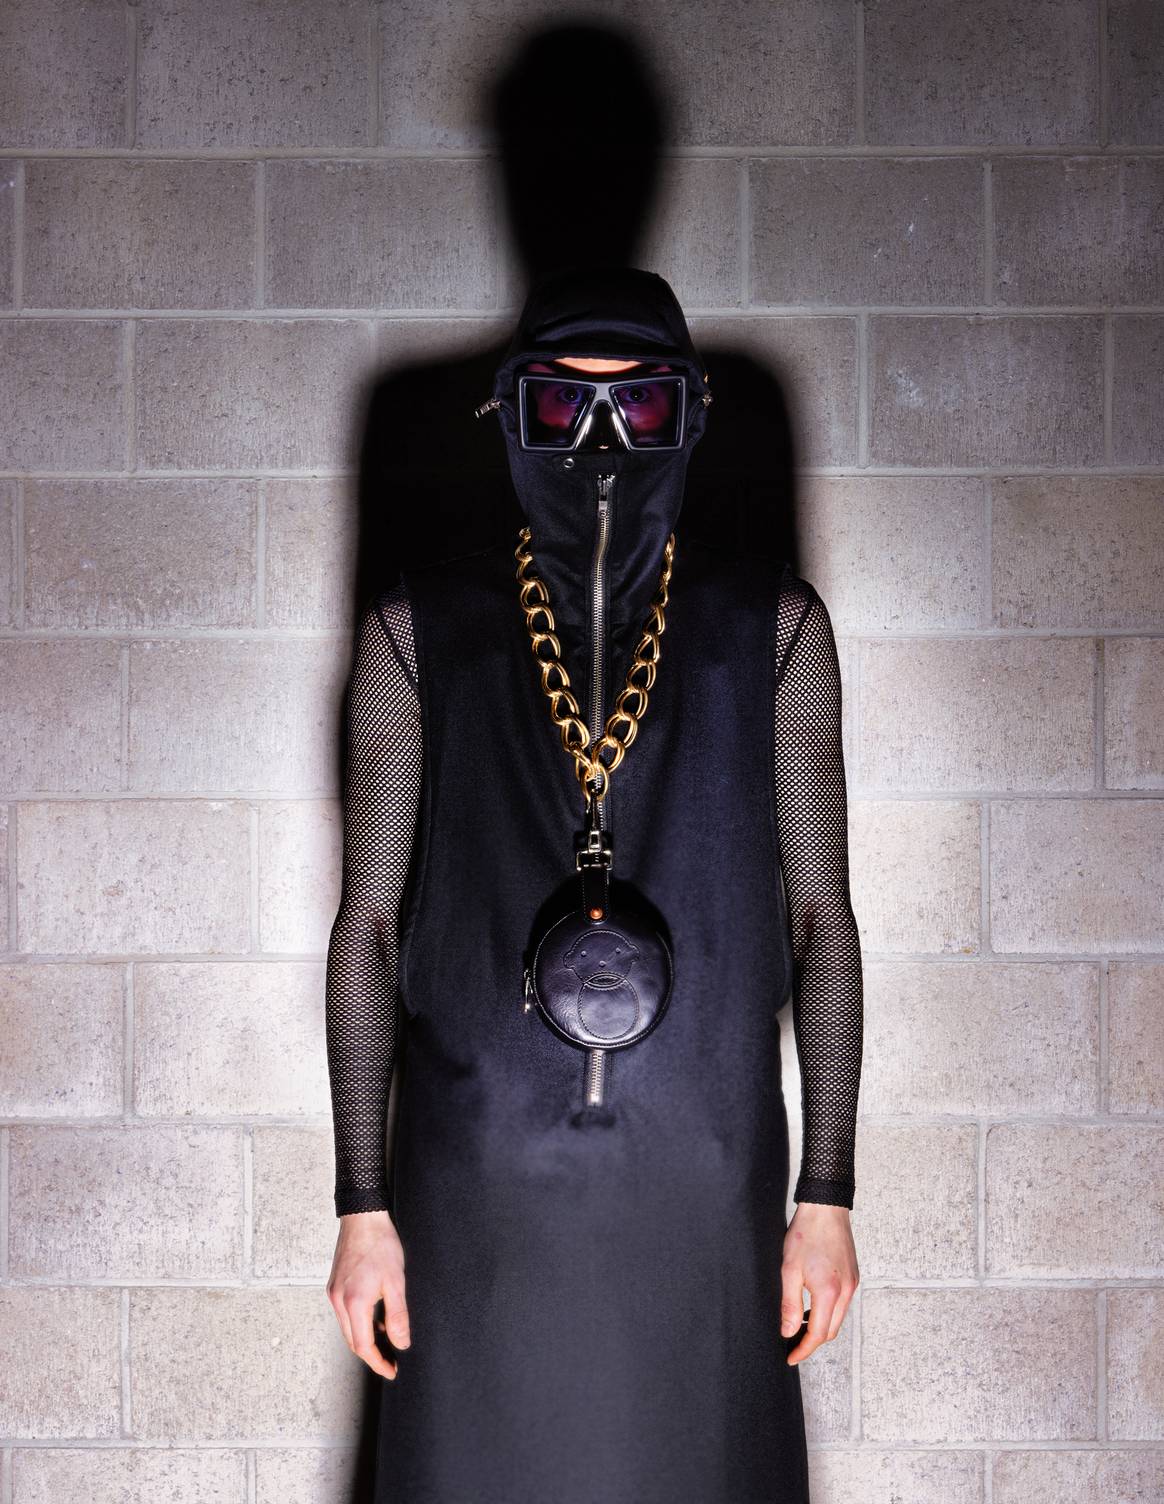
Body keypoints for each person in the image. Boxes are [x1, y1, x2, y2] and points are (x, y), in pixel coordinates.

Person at [324, 264, 863, 1504]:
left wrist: (826, 1193)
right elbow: (369, 926)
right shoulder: (422, 631)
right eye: (567, 406)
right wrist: (362, 1205)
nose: (604, 441)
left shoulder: (770, 628)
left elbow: (822, 918)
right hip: (479, 1185)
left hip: (703, 1182)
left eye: (640, 406)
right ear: (514, 412)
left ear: (690, 413)